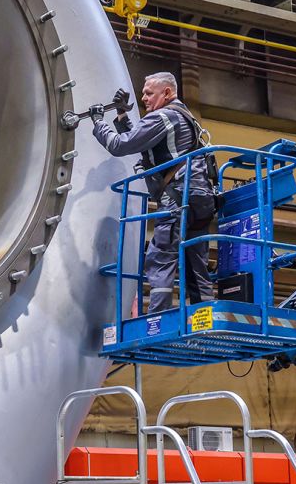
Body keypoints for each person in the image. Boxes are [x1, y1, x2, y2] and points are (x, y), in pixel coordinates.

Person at [90, 72, 216, 315]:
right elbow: (144, 140)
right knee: (195, 265)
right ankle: (205, 318)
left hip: (178, 199)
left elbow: (121, 145)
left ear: (167, 93)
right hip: (199, 199)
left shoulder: (164, 116)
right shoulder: (183, 116)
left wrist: (98, 123)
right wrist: (121, 115)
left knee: (160, 261)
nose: (144, 98)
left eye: (149, 93)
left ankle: (157, 322)